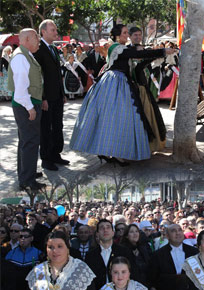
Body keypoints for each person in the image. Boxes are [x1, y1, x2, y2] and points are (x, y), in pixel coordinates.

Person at [70, 24, 176, 165]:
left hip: (120, 83)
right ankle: (109, 152)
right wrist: (162, 51)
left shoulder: (122, 49)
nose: (127, 35)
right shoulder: (116, 48)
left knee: (116, 119)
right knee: (113, 119)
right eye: (125, 33)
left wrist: (157, 53)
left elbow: (138, 61)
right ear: (117, 35)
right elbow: (136, 55)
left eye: (127, 33)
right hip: (114, 83)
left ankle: (110, 152)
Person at [26, 230, 96, 290]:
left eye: (60, 246)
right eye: (50, 247)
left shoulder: (81, 269)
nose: (55, 251)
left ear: (67, 248)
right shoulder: (37, 272)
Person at [7, 28, 46, 191]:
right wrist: (30, 108)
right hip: (25, 104)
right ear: (28, 39)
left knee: (26, 141)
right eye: (36, 37)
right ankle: (27, 180)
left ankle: (26, 173)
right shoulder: (21, 57)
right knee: (30, 142)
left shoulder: (25, 55)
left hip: (28, 103)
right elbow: (21, 89)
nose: (38, 41)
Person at [34, 19, 69, 171]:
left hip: (57, 96)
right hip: (47, 97)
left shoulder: (53, 49)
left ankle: (56, 154)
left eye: (55, 30)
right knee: (46, 128)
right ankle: (46, 159)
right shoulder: (39, 49)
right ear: (43, 32)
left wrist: (63, 93)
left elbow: (56, 73)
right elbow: (38, 77)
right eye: (53, 30)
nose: (56, 32)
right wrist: (43, 98)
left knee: (57, 126)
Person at [149, 224, 199, 290]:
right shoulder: (158, 255)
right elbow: (154, 277)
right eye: (173, 231)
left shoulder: (194, 252)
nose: (178, 233)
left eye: (180, 230)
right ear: (167, 236)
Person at [85, 219, 137, 290]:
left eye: (108, 227)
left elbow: (133, 273)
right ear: (97, 233)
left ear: (113, 233)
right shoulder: (90, 255)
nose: (105, 230)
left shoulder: (125, 251)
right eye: (102, 228)